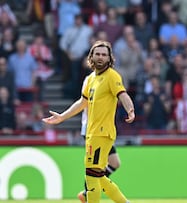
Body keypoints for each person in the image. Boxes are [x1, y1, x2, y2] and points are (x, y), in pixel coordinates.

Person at [43, 40, 135, 203]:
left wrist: (130, 110)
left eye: (104, 55)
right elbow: (82, 103)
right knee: (98, 176)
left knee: (91, 175)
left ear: (109, 58)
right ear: (91, 56)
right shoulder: (91, 79)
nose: (100, 57)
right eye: (97, 54)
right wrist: (62, 117)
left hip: (102, 133)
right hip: (92, 132)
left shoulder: (112, 76)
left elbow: (123, 95)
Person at [77, 76, 121, 203]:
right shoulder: (91, 80)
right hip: (93, 129)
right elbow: (86, 103)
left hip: (103, 130)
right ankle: (87, 194)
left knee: (114, 163)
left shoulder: (109, 78)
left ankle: (86, 193)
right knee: (96, 167)